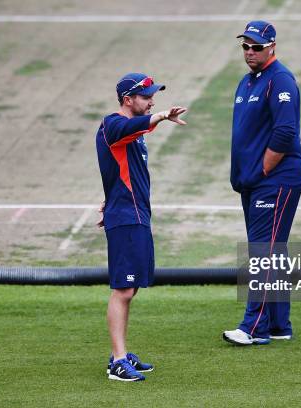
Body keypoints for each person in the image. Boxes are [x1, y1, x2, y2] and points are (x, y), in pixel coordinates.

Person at [96, 73, 187, 381]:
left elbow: (116, 169)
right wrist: (159, 117)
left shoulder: (130, 133)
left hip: (132, 215)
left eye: (153, 97)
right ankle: (118, 361)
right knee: (122, 289)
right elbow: (126, 128)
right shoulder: (114, 125)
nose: (151, 101)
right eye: (146, 96)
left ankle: (120, 355)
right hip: (126, 218)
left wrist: (108, 200)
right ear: (127, 100)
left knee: (130, 289)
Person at [223, 21, 301, 345]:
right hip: (254, 182)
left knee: (262, 252)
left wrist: (261, 172)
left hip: (276, 179)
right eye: (245, 46)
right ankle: (277, 324)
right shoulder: (247, 82)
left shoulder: (280, 80)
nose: (249, 52)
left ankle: (253, 328)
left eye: (256, 46)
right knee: (272, 250)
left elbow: (285, 133)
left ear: (272, 46)